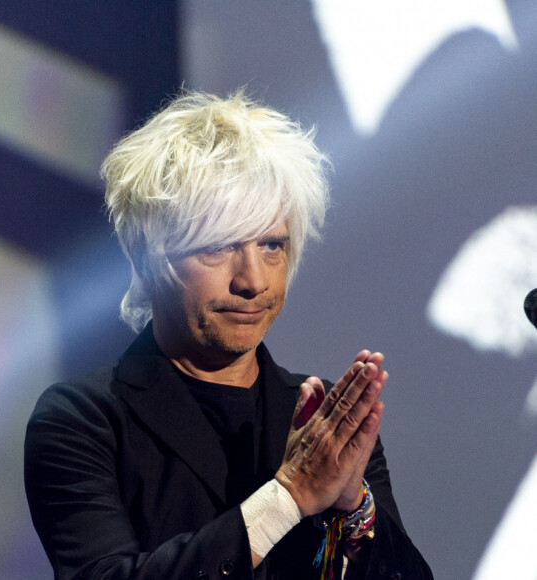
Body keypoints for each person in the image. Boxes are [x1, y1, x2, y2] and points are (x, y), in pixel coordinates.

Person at [24, 91, 432, 579]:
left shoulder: (323, 419)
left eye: (272, 245)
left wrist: (353, 506)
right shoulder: (84, 419)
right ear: (144, 258)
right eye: (218, 247)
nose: (253, 281)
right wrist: (289, 498)